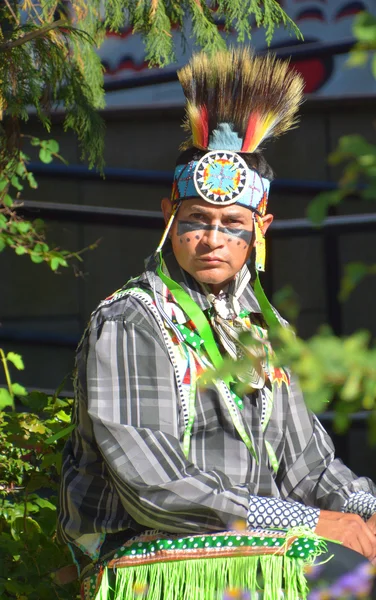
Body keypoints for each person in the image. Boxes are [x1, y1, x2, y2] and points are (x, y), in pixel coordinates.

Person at [58, 48, 376, 600]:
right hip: (148, 552)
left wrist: (366, 511)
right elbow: (155, 488)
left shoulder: (265, 327)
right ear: (168, 218)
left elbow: (311, 467)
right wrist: (306, 523)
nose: (212, 239)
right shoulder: (132, 319)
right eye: (196, 222)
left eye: (233, 224)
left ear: (262, 228)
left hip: (254, 540)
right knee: (348, 574)